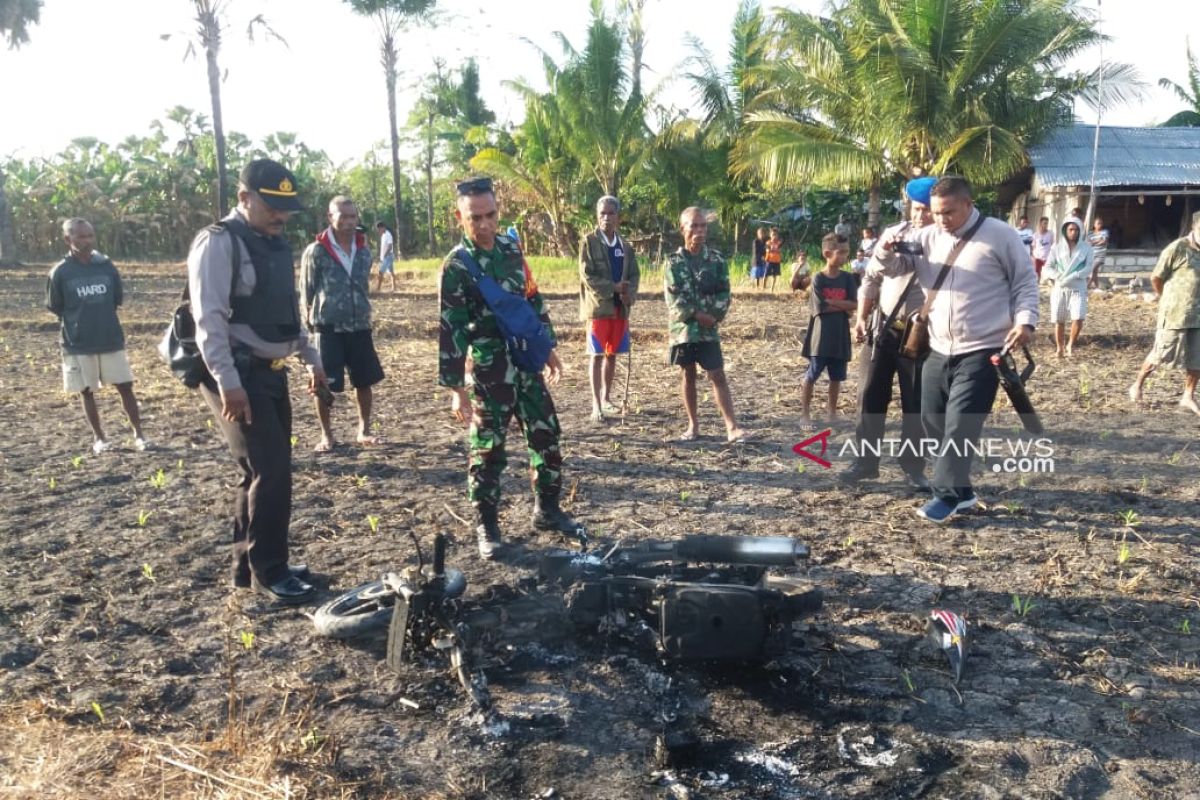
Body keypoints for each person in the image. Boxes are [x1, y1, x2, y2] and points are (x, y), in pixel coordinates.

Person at [188, 158, 328, 604]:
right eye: (273, 206)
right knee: (271, 470)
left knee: (258, 471)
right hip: (236, 374)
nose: (282, 216)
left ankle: (248, 568)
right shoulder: (217, 244)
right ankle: (271, 571)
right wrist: (229, 382)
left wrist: (311, 357)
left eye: (287, 208)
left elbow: (286, 313)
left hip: (269, 371)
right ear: (244, 198)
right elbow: (208, 319)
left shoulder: (272, 242)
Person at [871, 176, 1039, 524]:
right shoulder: (927, 237)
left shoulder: (1000, 235)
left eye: (948, 212)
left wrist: (1025, 322)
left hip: (983, 347)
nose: (941, 219)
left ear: (968, 203)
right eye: (935, 212)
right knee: (932, 422)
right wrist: (885, 248)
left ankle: (945, 496)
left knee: (960, 424)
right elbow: (892, 268)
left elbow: (1025, 282)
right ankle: (963, 493)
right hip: (937, 346)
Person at [439, 176, 580, 559]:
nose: (484, 224)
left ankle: (547, 511)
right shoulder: (456, 266)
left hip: (523, 362)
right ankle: (487, 525)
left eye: (490, 215)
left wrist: (546, 347)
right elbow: (451, 328)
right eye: (475, 217)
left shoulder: (511, 248)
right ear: (459, 216)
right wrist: (456, 389)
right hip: (488, 369)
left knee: (547, 434)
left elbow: (531, 300)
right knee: (487, 449)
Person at [840, 177, 936, 490]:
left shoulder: (946, 241)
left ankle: (913, 467)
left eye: (927, 210)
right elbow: (872, 278)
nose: (921, 216)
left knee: (915, 403)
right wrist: (861, 317)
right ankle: (866, 463)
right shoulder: (894, 233)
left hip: (921, 334)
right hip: (882, 328)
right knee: (868, 396)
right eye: (917, 208)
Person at [46, 218, 148, 454]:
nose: (87, 241)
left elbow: (116, 299)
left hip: (109, 337)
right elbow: (56, 306)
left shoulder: (106, 266)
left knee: (125, 386)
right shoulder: (60, 272)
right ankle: (100, 438)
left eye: (90, 235)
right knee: (87, 390)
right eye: (80, 236)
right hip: (78, 341)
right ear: (67, 239)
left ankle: (139, 435)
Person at [300, 196, 385, 451]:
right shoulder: (316, 251)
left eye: (352, 217)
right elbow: (306, 294)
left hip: (359, 326)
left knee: (364, 381)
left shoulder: (364, 252)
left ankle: (364, 430)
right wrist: (308, 337)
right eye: (343, 216)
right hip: (328, 328)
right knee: (324, 384)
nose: (348, 222)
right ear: (330, 217)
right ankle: (327, 435)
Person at [665, 207, 748, 443]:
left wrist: (714, 316)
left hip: (709, 331)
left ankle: (732, 427)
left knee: (717, 375)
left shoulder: (717, 260)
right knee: (687, 374)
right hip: (684, 332)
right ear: (683, 229)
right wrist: (697, 314)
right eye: (694, 226)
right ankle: (693, 426)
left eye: (703, 226)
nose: (699, 231)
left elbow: (725, 293)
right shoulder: (673, 263)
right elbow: (674, 301)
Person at [1128, 210, 1200, 416]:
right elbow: (1156, 277)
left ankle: (1188, 395)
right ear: (1194, 228)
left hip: (1198, 315)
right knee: (1162, 352)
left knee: (1197, 358)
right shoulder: (1177, 248)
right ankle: (1137, 385)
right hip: (1175, 313)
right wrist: (1165, 299)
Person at [579, 195, 639, 422]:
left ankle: (606, 398)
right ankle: (596, 405)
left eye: (610, 213)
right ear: (597, 216)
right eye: (602, 213)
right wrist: (613, 288)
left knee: (611, 354)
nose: (606, 218)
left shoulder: (625, 246)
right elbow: (587, 276)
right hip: (599, 309)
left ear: (618, 217)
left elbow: (634, 274)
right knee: (596, 355)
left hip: (619, 310)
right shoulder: (589, 242)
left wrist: (629, 294)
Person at [800, 232, 857, 423]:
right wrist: (843, 305)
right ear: (827, 253)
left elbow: (854, 304)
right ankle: (805, 414)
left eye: (846, 253)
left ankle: (831, 413)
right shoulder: (818, 279)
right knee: (812, 374)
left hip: (840, 336)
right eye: (840, 252)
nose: (844, 257)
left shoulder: (848, 278)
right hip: (820, 337)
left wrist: (834, 302)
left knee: (836, 377)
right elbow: (820, 307)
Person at [1042, 216, 1094, 358]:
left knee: (1078, 317)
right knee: (1059, 320)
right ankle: (1059, 348)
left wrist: (1075, 275)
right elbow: (1048, 267)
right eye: (1071, 229)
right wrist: (1058, 276)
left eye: (1076, 230)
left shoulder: (1086, 248)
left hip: (1078, 287)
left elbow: (1089, 267)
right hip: (1060, 287)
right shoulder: (1057, 248)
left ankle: (1071, 345)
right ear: (1065, 230)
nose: (1073, 232)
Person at [373, 220, 396, 293]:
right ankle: (394, 287)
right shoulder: (383, 235)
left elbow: (390, 246)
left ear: (382, 227)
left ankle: (378, 288)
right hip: (386, 256)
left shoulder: (388, 235)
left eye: (379, 229)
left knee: (380, 272)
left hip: (388, 256)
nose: (378, 231)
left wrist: (385, 255)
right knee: (391, 272)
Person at [1087, 217, 1109, 287]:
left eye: (1101, 224)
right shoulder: (1090, 233)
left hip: (1100, 255)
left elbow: (1104, 241)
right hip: (1092, 255)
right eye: (1098, 223)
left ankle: (1087, 286)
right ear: (1094, 225)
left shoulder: (1104, 232)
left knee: (1092, 269)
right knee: (1095, 272)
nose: (1100, 225)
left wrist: (1094, 242)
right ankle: (1097, 287)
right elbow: (1088, 242)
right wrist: (1098, 241)